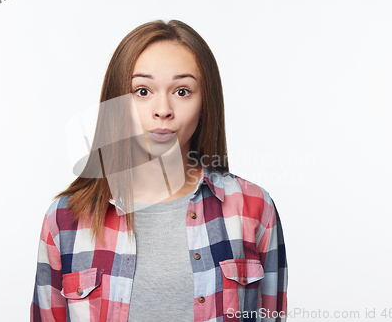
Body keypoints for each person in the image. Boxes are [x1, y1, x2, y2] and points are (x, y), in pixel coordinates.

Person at [30, 19, 287, 322]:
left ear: (206, 102)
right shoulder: (65, 219)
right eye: (142, 91)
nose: (162, 109)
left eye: (182, 91)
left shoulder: (253, 208)